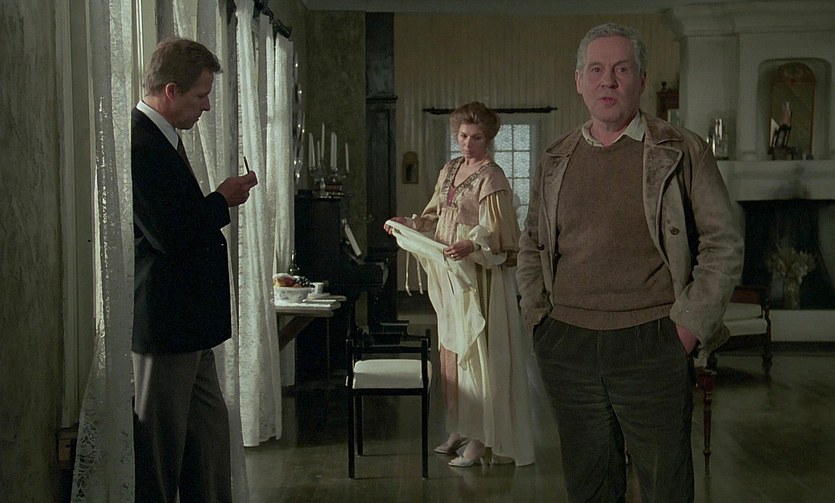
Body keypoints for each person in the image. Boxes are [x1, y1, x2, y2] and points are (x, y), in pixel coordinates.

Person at [516, 23, 743, 502]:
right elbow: (531, 244)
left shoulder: (681, 150)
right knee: (590, 488)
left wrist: (687, 329)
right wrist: (538, 321)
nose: (608, 81)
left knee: (666, 487)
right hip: (568, 344)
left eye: (621, 70)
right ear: (579, 81)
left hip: (654, 340)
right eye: (596, 70)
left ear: (640, 80)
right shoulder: (555, 158)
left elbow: (723, 243)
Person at [131, 37, 258, 502]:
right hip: (165, 324)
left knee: (210, 437)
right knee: (160, 451)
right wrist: (221, 200)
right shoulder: (141, 143)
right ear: (171, 91)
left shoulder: (164, 139)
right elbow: (169, 234)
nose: (206, 106)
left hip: (191, 323)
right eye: (201, 95)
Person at [385, 102, 535, 468]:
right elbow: (436, 216)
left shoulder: (492, 178)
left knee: (478, 352)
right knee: (451, 351)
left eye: (476, 137)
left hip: (480, 277)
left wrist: (473, 244)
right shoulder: (450, 169)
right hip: (449, 276)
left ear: (489, 138)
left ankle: (482, 437)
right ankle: (459, 425)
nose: (468, 143)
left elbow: (502, 234)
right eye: (463, 136)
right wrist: (411, 223)